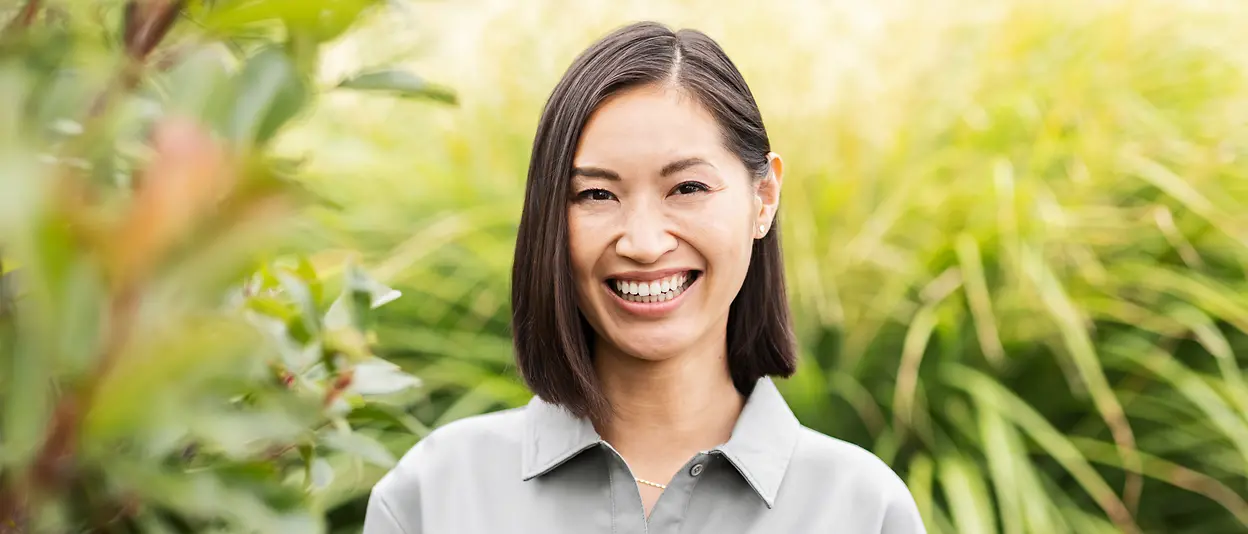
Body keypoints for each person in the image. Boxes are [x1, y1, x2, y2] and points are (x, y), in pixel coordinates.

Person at [363, 21, 925, 533]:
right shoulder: (436, 495)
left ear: (764, 197)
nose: (643, 242)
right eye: (596, 195)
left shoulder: (860, 509)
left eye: (687, 188)